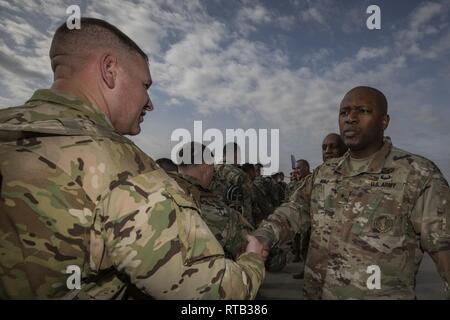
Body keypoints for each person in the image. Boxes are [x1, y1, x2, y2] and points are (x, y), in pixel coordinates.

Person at [0, 18, 265, 299]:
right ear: (109, 70)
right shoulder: (124, 168)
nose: (149, 103)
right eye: (145, 85)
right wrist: (253, 260)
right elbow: (214, 295)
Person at [253, 86, 450, 299]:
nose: (351, 119)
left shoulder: (418, 174)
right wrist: (264, 237)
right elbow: (294, 210)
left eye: (363, 111)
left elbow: (443, 246)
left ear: (384, 121)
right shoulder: (324, 173)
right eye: (344, 112)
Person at [210, 142, 254, 226]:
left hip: (214, 221)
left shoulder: (211, 170)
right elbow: (249, 200)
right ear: (235, 154)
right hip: (236, 225)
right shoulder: (240, 175)